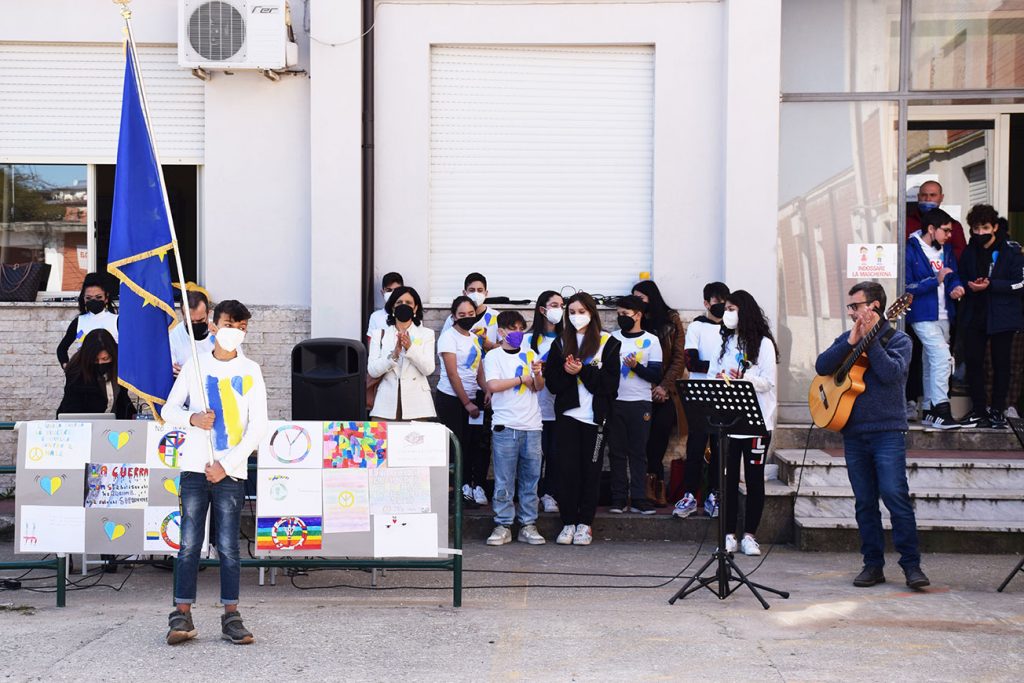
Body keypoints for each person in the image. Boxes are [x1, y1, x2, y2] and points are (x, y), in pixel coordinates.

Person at [162, 299, 269, 645]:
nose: (234, 333)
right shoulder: (195, 364)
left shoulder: (251, 370)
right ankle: (182, 614)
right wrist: (193, 418)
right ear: (212, 325)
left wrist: (227, 464)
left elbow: (257, 426)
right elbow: (169, 409)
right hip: (194, 467)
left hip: (231, 472)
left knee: (228, 546)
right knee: (190, 543)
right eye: (228, 325)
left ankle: (231, 615)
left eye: (241, 328)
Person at [815, 282, 929, 589]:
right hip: (853, 433)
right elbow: (822, 366)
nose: (851, 311)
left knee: (895, 496)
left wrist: (870, 342)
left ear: (874, 307)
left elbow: (891, 374)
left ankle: (911, 566)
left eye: (855, 306)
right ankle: (872, 565)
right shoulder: (847, 337)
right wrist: (851, 341)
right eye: (850, 306)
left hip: (887, 432)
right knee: (865, 502)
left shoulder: (900, 340)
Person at [543, 292, 621, 546]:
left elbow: (610, 385)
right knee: (567, 471)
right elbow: (553, 384)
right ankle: (568, 523)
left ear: (592, 312)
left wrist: (583, 371)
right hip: (567, 417)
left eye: (581, 311)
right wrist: (567, 373)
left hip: (595, 420)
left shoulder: (608, 343)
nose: (577, 317)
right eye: (572, 312)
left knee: (591, 472)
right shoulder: (559, 343)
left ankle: (585, 524)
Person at [710, 290, 777, 556]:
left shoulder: (763, 344)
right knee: (726, 479)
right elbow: (714, 373)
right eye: (726, 308)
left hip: (757, 421)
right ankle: (727, 534)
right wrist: (721, 378)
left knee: (754, 479)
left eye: (732, 308)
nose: (727, 313)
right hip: (729, 421)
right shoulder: (724, 342)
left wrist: (744, 377)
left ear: (744, 311)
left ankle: (750, 534)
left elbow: (767, 382)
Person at [957, 204, 1024, 429]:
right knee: (974, 363)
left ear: (995, 227)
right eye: (975, 228)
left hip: (1003, 316)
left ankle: (997, 410)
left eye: (984, 227)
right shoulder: (969, 251)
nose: (980, 233)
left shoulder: (1011, 251)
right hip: (974, 315)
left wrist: (991, 285)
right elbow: (961, 276)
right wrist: (966, 285)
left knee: (1001, 364)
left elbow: (1020, 283)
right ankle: (978, 409)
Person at [483, 311, 546, 546]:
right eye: (512, 328)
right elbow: (493, 385)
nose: (517, 333)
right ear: (500, 332)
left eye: (521, 328)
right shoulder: (493, 356)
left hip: (532, 426)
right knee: (503, 479)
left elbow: (538, 387)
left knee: (531, 479)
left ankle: (528, 524)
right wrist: (522, 379)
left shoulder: (530, 353)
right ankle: (503, 525)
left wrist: (538, 375)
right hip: (505, 426)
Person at [671, 281, 729, 518]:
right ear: (706, 303)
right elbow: (691, 361)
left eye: (725, 302)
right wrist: (719, 368)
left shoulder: (731, 327)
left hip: (725, 393)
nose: (722, 307)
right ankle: (689, 495)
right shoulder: (697, 327)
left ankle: (714, 493)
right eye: (717, 302)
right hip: (699, 392)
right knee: (695, 446)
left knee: (718, 447)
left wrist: (721, 371)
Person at [905, 208, 964, 430]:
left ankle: (929, 410)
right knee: (942, 357)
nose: (950, 235)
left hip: (945, 314)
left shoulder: (946, 250)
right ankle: (941, 407)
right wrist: (934, 280)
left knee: (932, 360)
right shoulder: (910, 250)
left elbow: (952, 275)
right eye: (946, 230)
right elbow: (906, 285)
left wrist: (955, 286)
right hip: (921, 314)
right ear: (931, 229)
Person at [632, 279, 687, 507]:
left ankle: (655, 484)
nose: (638, 304)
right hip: (641, 390)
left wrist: (664, 386)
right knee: (641, 439)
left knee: (660, 433)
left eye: (641, 299)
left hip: (666, 392)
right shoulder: (635, 321)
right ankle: (647, 486)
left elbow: (678, 358)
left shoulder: (671, 320)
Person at [608, 295, 662, 515]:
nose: (621, 318)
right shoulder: (611, 338)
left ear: (638, 315)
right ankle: (619, 498)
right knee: (617, 452)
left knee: (638, 452)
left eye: (625, 314)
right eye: (619, 314)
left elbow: (655, 374)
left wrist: (636, 366)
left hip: (640, 403)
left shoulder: (652, 340)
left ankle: (639, 497)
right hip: (616, 402)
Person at [435, 296, 486, 509]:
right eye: (462, 315)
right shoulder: (448, 337)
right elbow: (453, 374)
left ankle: (466, 487)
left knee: (472, 444)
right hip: (452, 399)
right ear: (453, 316)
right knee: (456, 446)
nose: (466, 318)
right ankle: (454, 491)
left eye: (471, 314)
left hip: (473, 398)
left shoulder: (473, 338)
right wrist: (466, 403)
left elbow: (478, 368)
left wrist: (486, 389)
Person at [367, 286, 436, 420]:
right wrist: (394, 354)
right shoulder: (379, 335)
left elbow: (428, 369)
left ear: (415, 308)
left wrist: (410, 349)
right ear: (392, 307)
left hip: (417, 405)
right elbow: (372, 371)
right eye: (399, 303)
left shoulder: (427, 334)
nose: (403, 306)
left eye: (409, 303)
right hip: (384, 405)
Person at [524, 290, 564, 514]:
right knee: (532, 456)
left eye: (561, 305)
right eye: (554, 305)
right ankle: (531, 495)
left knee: (554, 453)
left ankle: (550, 494)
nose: (559, 309)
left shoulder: (566, 340)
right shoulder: (528, 340)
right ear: (542, 309)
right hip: (530, 408)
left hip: (556, 407)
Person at [55, 329, 135, 419]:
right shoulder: (76, 372)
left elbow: (122, 398)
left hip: (112, 423)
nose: (101, 363)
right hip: (82, 422)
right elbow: (72, 406)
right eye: (96, 360)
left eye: (105, 359)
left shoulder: (119, 366)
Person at [56, 272, 118, 368]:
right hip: (85, 376)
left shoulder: (117, 321)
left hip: (111, 374)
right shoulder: (78, 322)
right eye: (89, 298)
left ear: (106, 298)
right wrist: (67, 367)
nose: (93, 301)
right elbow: (62, 348)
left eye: (98, 297)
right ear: (84, 299)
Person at [905, 181, 967, 259]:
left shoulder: (954, 226)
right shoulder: (906, 223)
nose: (928, 199)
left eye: (933, 195)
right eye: (924, 195)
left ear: (941, 197)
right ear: (918, 197)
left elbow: (960, 255)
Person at [440, 272, 499, 352]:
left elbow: (507, 348)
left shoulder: (496, 317)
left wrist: (489, 345)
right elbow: (443, 345)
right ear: (465, 293)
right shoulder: (453, 319)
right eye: (471, 290)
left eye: (480, 290)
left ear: (486, 293)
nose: (476, 294)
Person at [170, 288, 217, 375]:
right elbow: (171, 367)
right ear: (183, 316)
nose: (195, 324)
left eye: (200, 320)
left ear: (208, 313)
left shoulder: (220, 332)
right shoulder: (174, 336)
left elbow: (236, 362)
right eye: (191, 321)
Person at [366, 272, 404, 343]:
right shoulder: (375, 317)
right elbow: (371, 347)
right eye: (389, 290)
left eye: (396, 290)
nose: (393, 293)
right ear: (382, 292)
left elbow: (418, 344)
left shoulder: (412, 315)